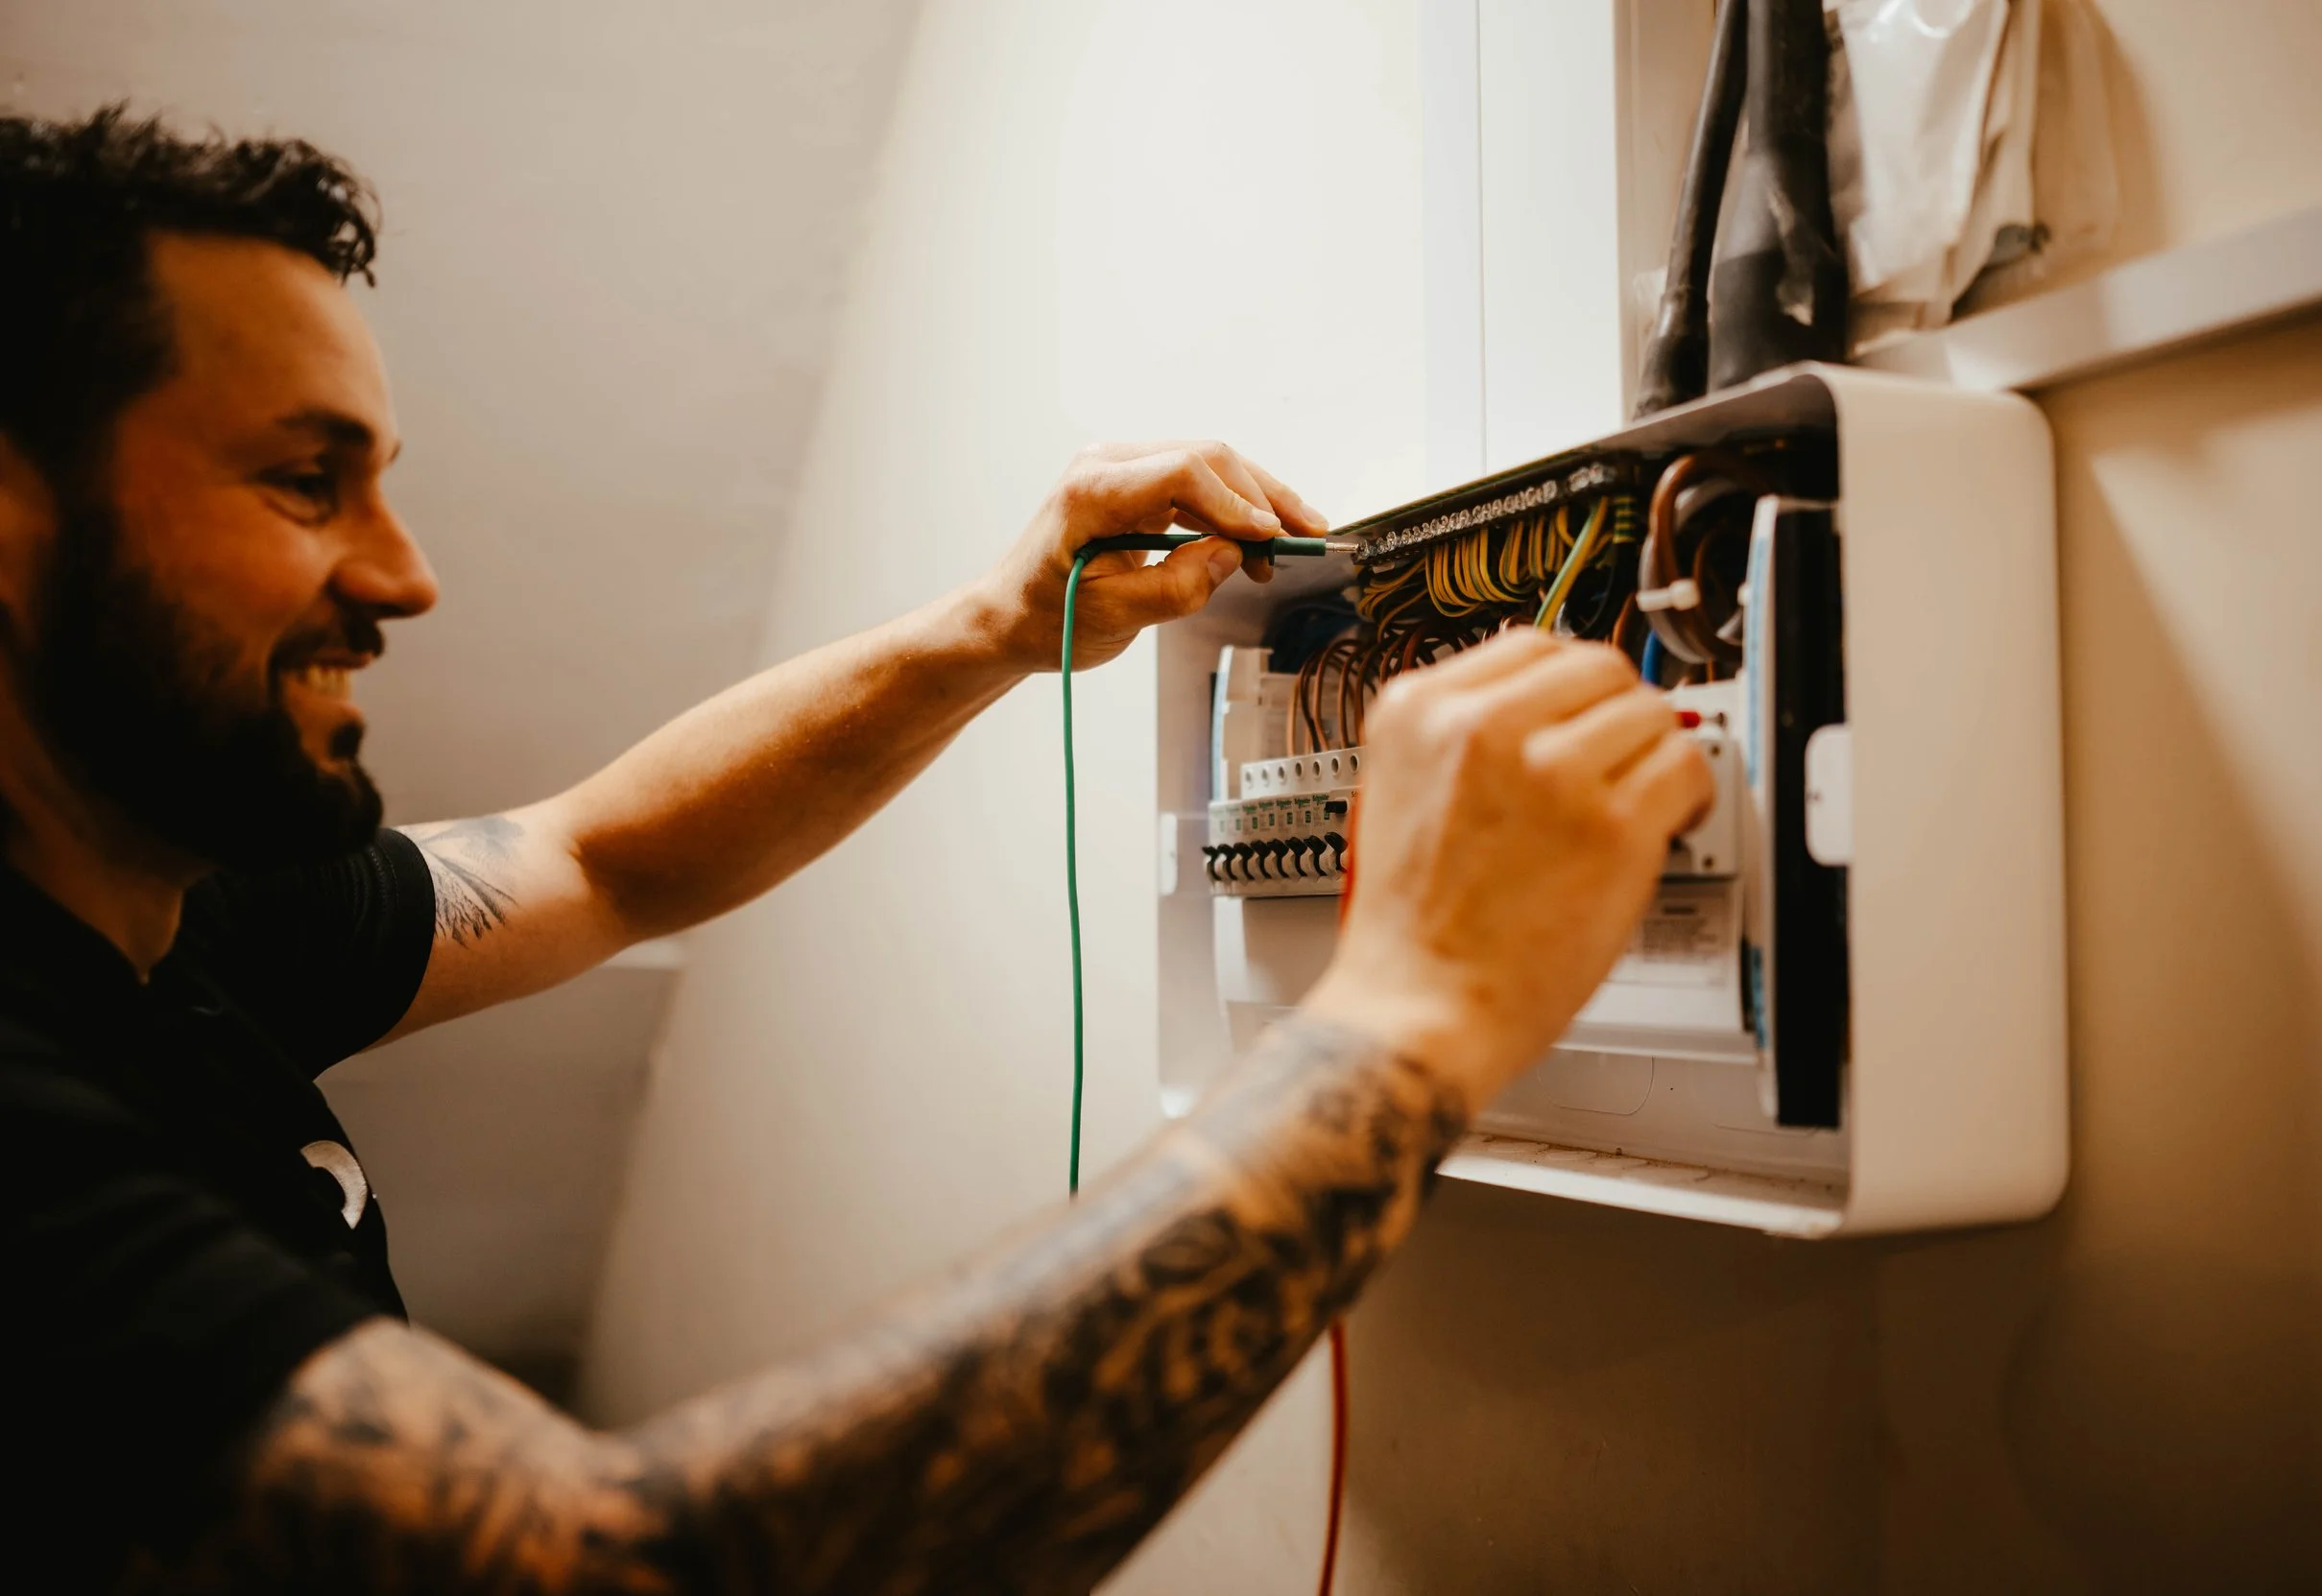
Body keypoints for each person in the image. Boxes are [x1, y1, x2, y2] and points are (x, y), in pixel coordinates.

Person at [0, 107, 1712, 1593]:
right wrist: (1408, 1023)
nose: (405, 575)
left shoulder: (183, 915)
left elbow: (604, 858)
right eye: (309, 482)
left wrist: (992, 623)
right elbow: (624, 1567)